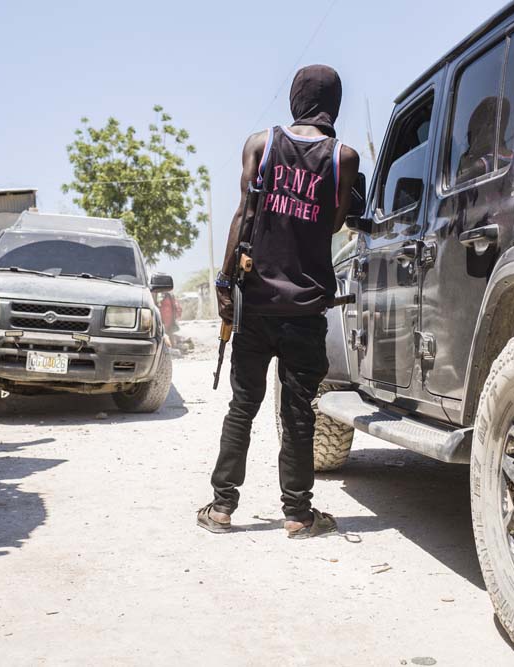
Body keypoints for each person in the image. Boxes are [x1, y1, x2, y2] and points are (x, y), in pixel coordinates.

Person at [197, 64, 360, 539]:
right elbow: (333, 225)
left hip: (255, 304)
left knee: (242, 406)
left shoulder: (260, 145)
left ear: (295, 98)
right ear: (334, 102)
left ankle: (222, 508)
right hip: (306, 309)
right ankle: (299, 516)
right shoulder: (343, 158)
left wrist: (226, 284)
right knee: (297, 414)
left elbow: (244, 216)